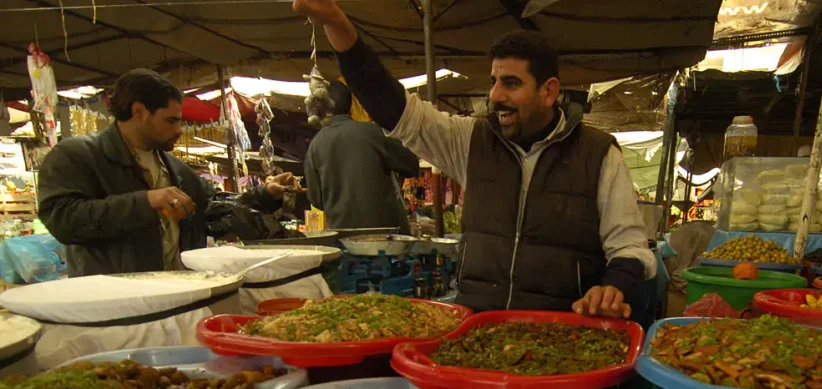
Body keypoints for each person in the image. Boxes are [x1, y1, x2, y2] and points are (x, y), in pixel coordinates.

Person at [293, 0, 656, 318]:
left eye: (511, 83)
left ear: (549, 92)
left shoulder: (598, 154)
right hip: (480, 327)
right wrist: (338, 26)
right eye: (494, 81)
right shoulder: (471, 140)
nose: (496, 95)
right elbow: (395, 109)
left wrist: (613, 287)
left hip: (562, 331)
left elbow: (629, 246)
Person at [38, 69, 292, 277]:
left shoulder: (174, 167)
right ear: (138, 112)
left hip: (174, 294)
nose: (180, 129)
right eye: (171, 120)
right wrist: (146, 201)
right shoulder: (77, 155)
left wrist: (265, 193)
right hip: (114, 305)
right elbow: (62, 220)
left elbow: (213, 208)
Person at [304, 81, 421, 233]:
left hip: (345, 237)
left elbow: (317, 201)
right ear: (351, 105)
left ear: (321, 108)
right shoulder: (373, 132)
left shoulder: (315, 145)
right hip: (387, 238)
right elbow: (411, 165)